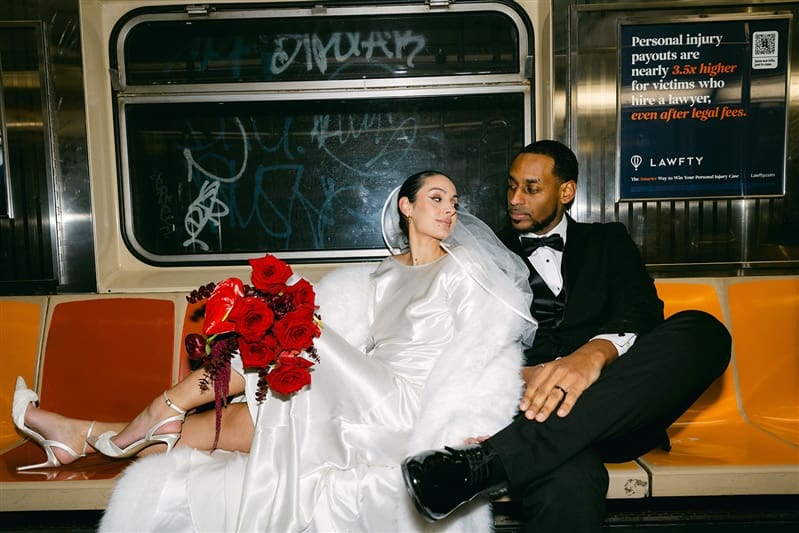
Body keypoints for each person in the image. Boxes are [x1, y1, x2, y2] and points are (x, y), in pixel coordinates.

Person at [12, 171, 537, 532]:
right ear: (406, 206)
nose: (449, 210)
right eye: (436, 199)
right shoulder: (379, 276)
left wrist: (480, 423)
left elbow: (487, 351)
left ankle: (162, 407)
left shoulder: (465, 271)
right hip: (365, 398)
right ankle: (81, 437)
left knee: (295, 330)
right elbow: (359, 346)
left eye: (454, 202)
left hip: (409, 405)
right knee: (252, 418)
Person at [402, 141, 733, 532]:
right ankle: (500, 459)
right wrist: (524, 376)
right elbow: (465, 340)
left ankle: (488, 462)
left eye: (531, 187)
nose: (515, 199)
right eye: (511, 187)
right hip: (534, 415)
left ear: (566, 192)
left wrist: (593, 355)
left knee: (705, 331)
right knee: (567, 483)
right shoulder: (480, 255)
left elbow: (642, 314)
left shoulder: (608, 241)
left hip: (618, 410)